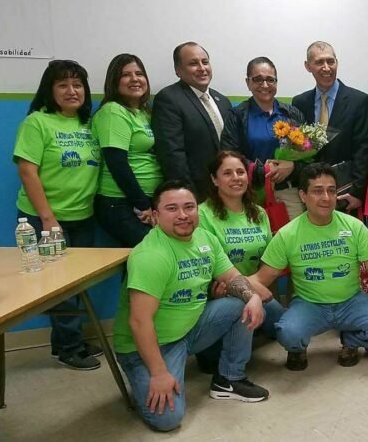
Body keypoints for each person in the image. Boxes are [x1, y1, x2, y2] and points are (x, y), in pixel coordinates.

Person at [112, 180, 269, 432]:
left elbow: (232, 277)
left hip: (189, 330)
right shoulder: (151, 256)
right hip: (148, 345)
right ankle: (150, 374)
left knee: (241, 303)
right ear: (155, 215)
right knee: (168, 420)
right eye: (172, 209)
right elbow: (139, 322)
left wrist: (252, 297)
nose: (183, 215)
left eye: (189, 207)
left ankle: (229, 379)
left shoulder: (205, 237)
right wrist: (159, 373)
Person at [251, 163, 368, 371]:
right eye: (317, 191)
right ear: (303, 195)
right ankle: (298, 348)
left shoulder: (353, 226)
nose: (326, 198)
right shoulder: (288, 234)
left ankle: (351, 342)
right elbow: (261, 278)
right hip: (310, 305)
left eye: (331, 190)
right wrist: (231, 280)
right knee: (288, 333)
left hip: (351, 302)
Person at [12, 59, 102, 371]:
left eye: (77, 84)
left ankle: (63, 342)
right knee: (59, 285)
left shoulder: (87, 124)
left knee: (76, 284)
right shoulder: (37, 122)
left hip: (82, 216)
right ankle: (70, 348)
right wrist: (48, 219)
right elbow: (27, 171)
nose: (71, 90)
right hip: (45, 219)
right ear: (50, 90)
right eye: (63, 84)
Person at [194, 150, 286, 372]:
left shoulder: (259, 213)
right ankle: (232, 374)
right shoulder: (202, 215)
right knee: (210, 363)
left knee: (286, 328)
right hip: (219, 295)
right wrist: (251, 287)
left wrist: (256, 286)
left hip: (255, 291)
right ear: (214, 179)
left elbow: (268, 260)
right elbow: (213, 267)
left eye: (240, 172)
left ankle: (249, 331)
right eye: (227, 173)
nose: (236, 178)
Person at [291, 41, 368, 211]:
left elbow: (362, 149)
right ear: (308, 66)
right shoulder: (299, 102)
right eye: (319, 62)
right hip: (311, 194)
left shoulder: (359, 101)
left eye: (331, 61)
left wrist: (358, 192)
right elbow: (299, 150)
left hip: (345, 192)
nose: (327, 68)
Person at [220, 57, 306, 219]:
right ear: (248, 83)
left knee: (291, 240)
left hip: (288, 192)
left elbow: (309, 156)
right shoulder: (237, 115)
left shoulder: (292, 113)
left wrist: (292, 166)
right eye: (258, 79)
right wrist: (265, 171)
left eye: (270, 80)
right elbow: (228, 155)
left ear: (276, 82)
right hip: (250, 192)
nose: (265, 85)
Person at [92, 53, 163, 247]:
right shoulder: (113, 111)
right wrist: (142, 204)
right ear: (114, 81)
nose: (135, 79)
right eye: (126, 75)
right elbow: (117, 163)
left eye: (139, 74)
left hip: (144, 201)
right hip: (120, 203)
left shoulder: (143, 112)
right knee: (152, 250)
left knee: (143, 260)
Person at [152, 42, 233, 201]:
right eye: (193, 63)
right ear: (178, 70)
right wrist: (189, 195)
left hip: (226, 190)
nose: (202, 68)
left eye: (205, 62)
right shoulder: (169, 98)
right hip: (195, 192)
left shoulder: (223, 101)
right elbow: (172, 155)